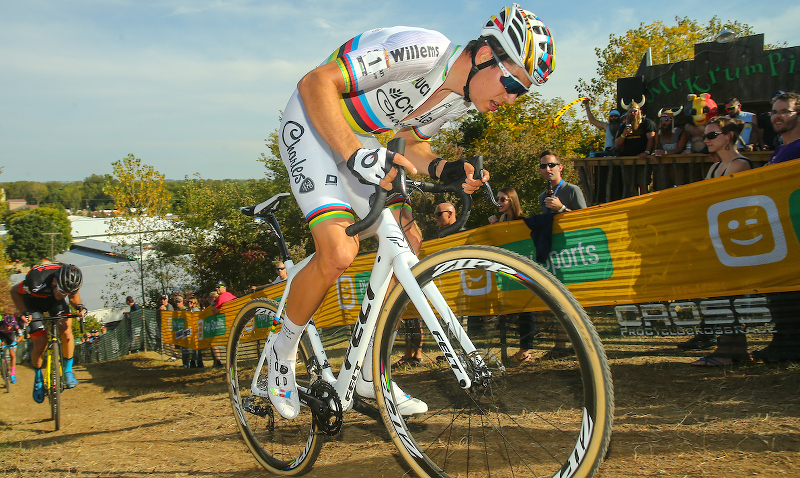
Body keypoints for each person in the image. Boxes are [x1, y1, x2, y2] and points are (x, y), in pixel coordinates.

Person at [267, 3, 555, 420]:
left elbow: (410, 141)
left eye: (522, 91)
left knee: (408, 241)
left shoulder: (458, 98)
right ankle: (282, 349)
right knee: (339, 253)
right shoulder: (422, 52)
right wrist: (352, 155)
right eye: (512, 82)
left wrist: (444, 168)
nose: (512, 97)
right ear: (484, 55)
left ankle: (370, 371)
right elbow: (315, 83)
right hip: (313, 125)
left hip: (362, 140)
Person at [690, 116, 752, 367]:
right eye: (705, 136)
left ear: (728, 137)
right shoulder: (715, 168)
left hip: (736, 237)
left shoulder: (739, 165)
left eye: (712, 135)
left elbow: (722, 201)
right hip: (717, 235)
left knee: (731, 294)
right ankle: (731, 349)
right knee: (720, 294)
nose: (706, 140)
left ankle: (729, 351)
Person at [753, 91, 800, 363]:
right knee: (779, 290)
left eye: (785, 111)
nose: (778, 116)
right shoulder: (781, 149)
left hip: (794, 226)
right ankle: (782, 342)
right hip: (778, 228)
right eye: (774, 112)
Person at [9, 263, 87, 403]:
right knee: (40, 343)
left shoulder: (70, 281)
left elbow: (73, 299)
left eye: (66, 293)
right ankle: (38, 377)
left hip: (53, 304)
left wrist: (79, 307)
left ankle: (68, 371)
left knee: (67, 331)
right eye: (62, 291)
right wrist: (23, 312)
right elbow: (14, 291)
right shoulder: (35, 281)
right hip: (32, 305)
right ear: (54, 281)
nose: (63, 295)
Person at [537, 152, 586, 360]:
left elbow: (586, 219)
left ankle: (584, 347)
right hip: (553, 252)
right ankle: (560, 346)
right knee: (558, 300)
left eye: (551, 165)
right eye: (543, 166)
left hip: (574, 253)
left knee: (576, 301)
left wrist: (563, 209)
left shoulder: (572, 190)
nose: (548, 169)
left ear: (560, 167)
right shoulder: (542, 196)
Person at [614, 101, 657, 196]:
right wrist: (623, 135)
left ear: (639, 112)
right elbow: (617, 143)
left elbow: (652, 139)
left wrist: (647, 152)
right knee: (631, 185)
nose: (632, 114)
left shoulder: (647, 123)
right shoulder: (624, 126)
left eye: (634, 111)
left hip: (643, 159)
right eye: (630, 112)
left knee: (643, 184)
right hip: (628, 159)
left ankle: (644, 206)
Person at [0, 314, 24, 384]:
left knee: (12, 354)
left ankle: (12, 373)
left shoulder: (15, 326)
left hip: (11, 337)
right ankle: (2, 364)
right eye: (7, 325)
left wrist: (16, 342)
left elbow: (21, 336)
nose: (9, 327)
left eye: (10, 326)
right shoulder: (0, 324)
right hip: (1, 335)